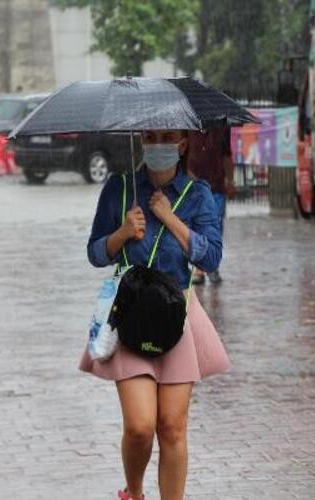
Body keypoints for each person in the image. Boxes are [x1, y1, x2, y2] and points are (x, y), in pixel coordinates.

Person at [80, 129, 231, 500]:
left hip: (177, 313)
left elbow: (210, 258)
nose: (158, 143)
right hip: (130, 311)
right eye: (150, 135)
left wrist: (171, 220)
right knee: (141, 426)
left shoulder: (199, 195)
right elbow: (96, 253)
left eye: (167, 136)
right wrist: (122, 233)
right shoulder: (120, 188)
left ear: (181, 145)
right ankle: (133, 492)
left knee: (172, 428)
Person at [186, 127, 235, 284]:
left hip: (216, 188)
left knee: (214, 227)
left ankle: (213, 266)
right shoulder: (187, 126)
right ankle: (198, 269)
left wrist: (230, 180)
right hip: (193, 188)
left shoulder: (221, 127)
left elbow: (227, 155)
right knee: (195, 228)